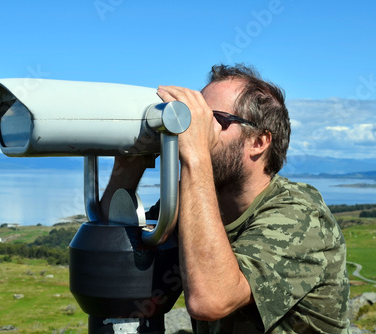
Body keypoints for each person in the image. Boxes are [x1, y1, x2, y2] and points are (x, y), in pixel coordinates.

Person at [100, 64, 350, 333]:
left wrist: (195, 157)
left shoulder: (301, 215)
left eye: (214, 119)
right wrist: (130, 163)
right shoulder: (193, 203)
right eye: (197, 118)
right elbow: (113, 257)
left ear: (259, 142)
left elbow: (211, 301)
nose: (196, 129)